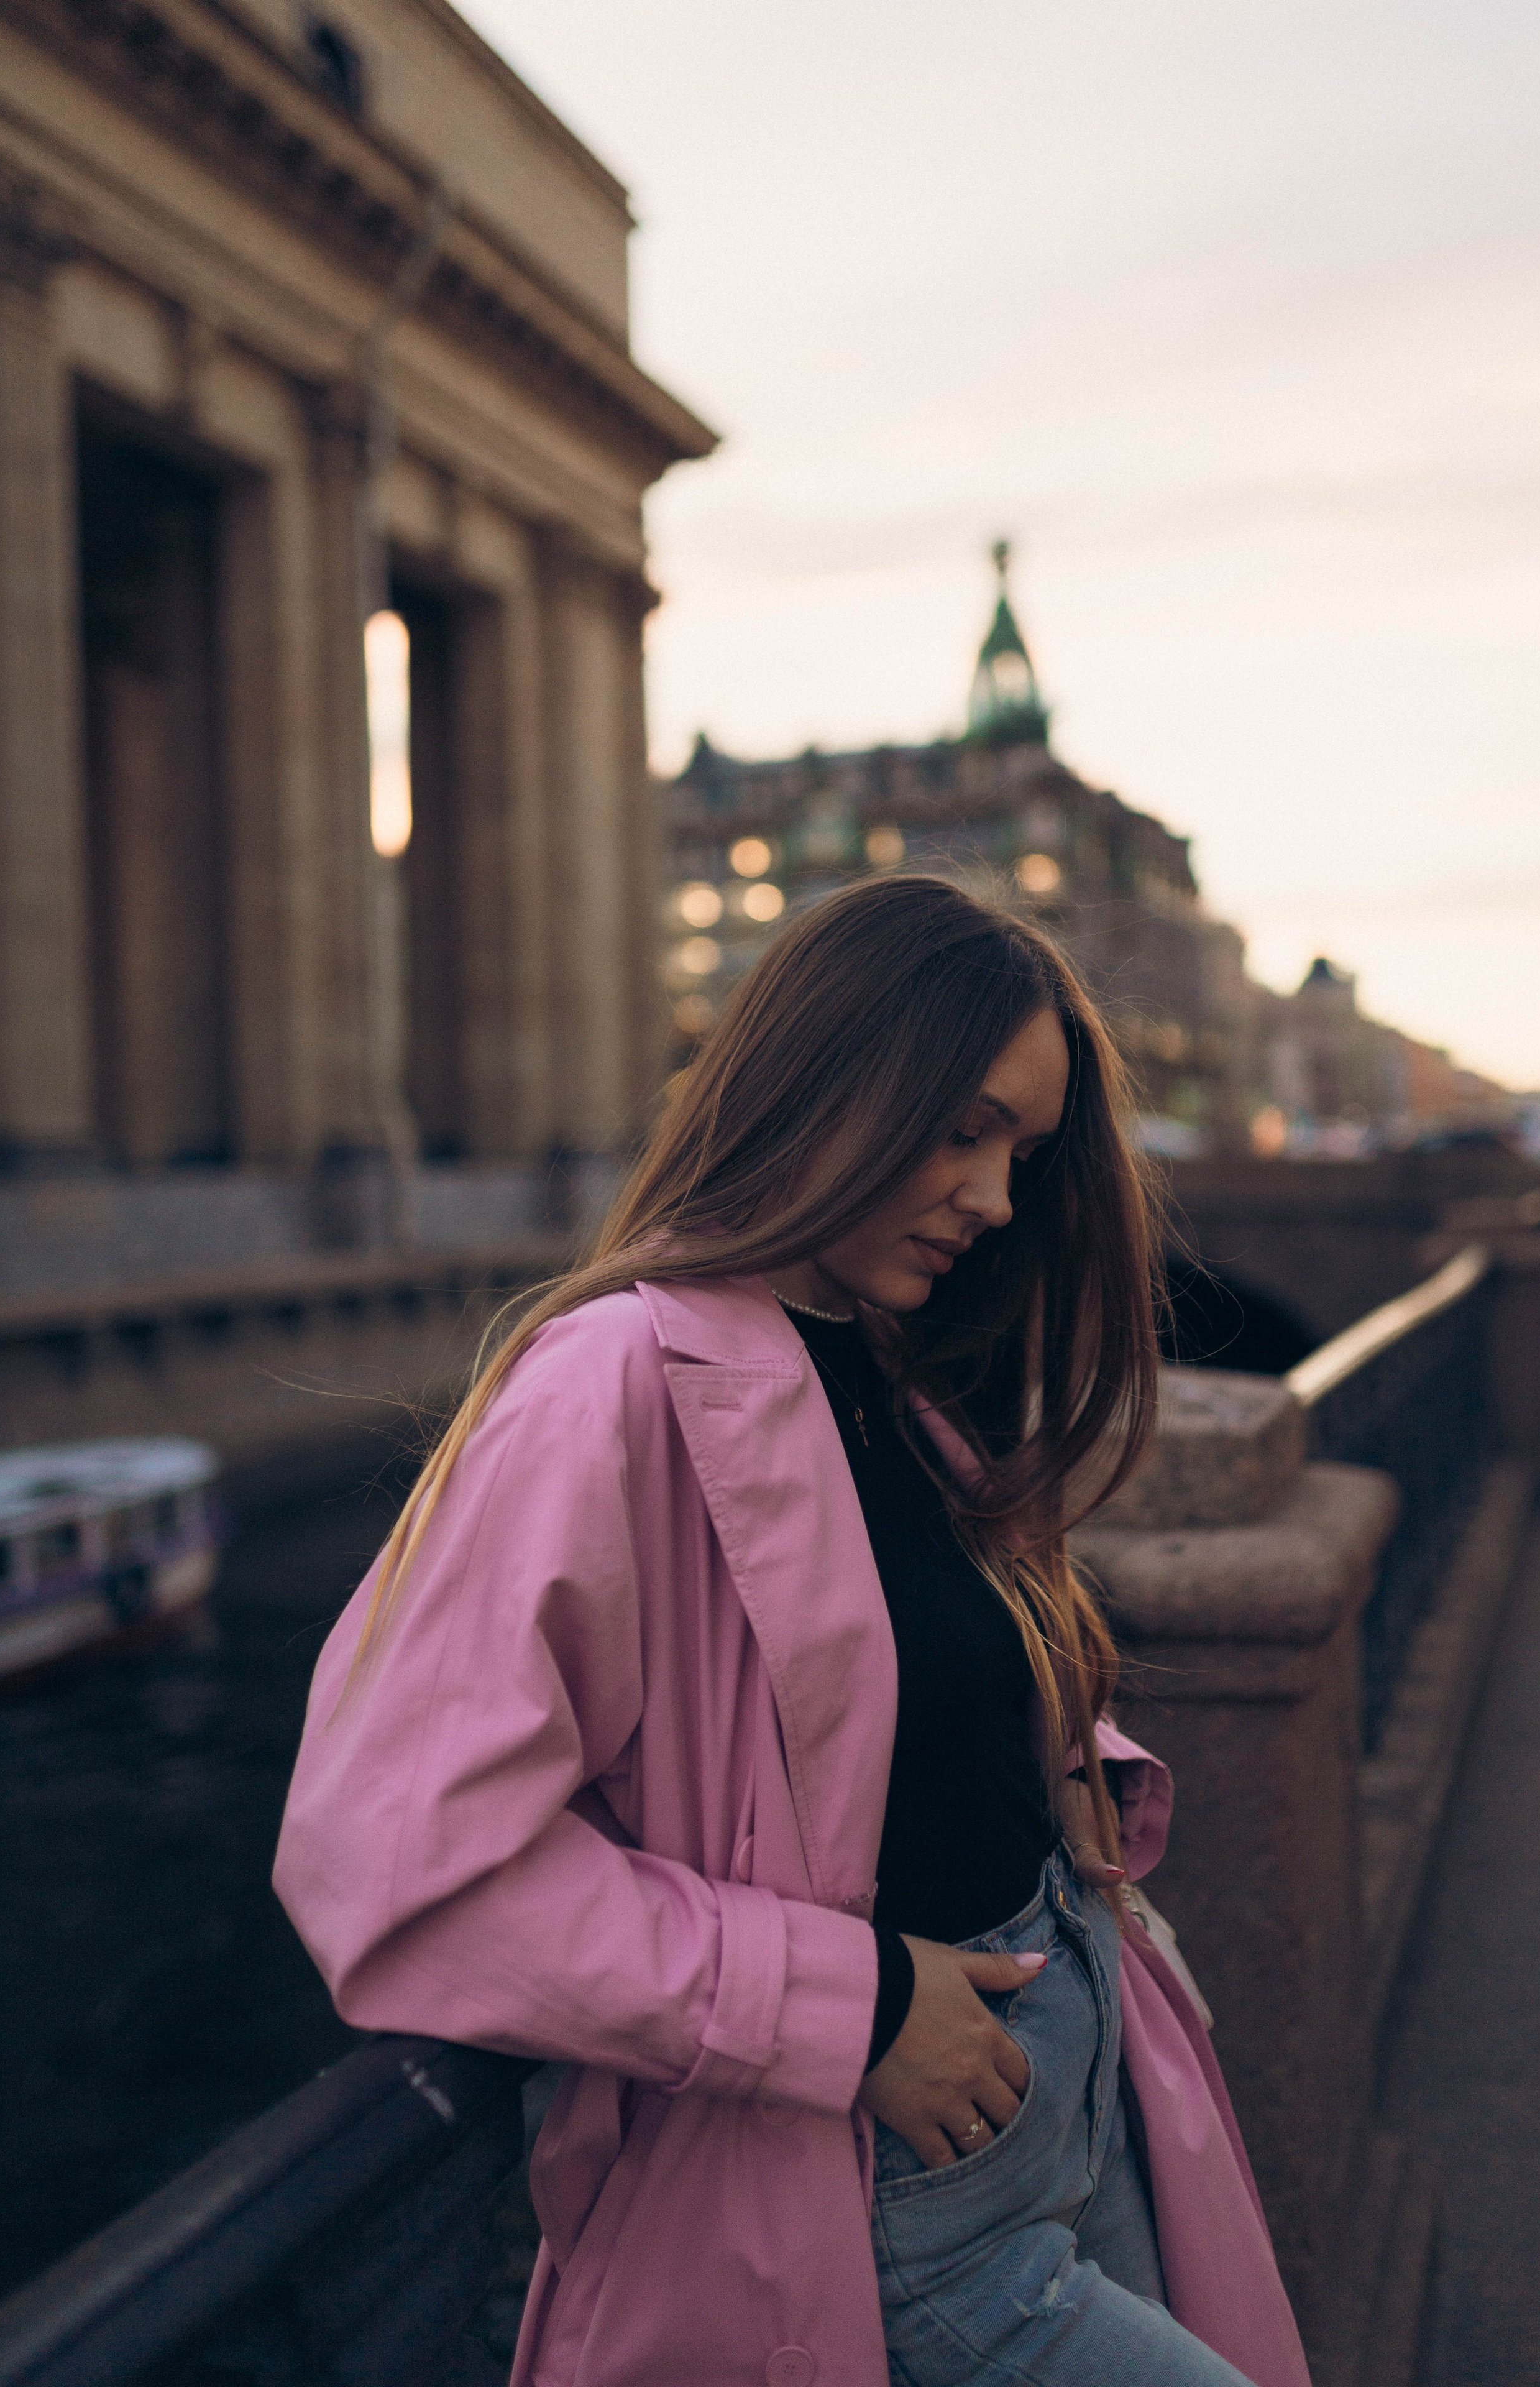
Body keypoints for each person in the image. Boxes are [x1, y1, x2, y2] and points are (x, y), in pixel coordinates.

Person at [275, 876, 1311, 2387]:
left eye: (1018, 1148)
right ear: (829, 1077)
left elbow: (855, 1673)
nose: (996, 1197)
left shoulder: (885, 1367)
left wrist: (1067, 1754)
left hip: (1069, 2111)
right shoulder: (609, 1383)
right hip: (891, 2206)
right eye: (960, 1128)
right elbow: (399, 1863)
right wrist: (859, 2003)